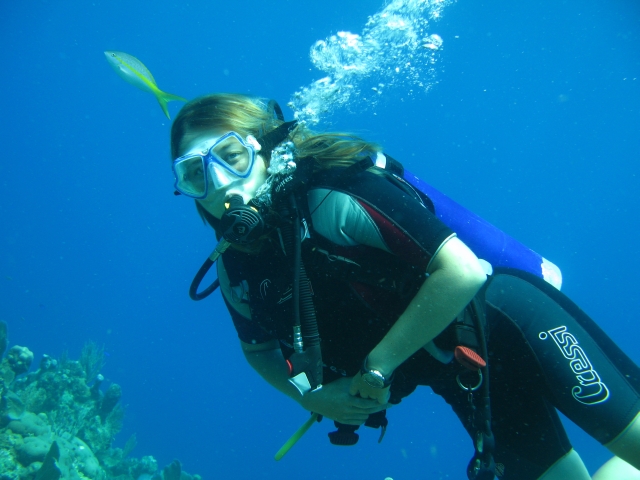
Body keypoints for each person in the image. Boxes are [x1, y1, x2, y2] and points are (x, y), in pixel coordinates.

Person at [169, 93, 640, 480]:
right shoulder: (235, 266)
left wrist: (376, 369)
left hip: (504, 319)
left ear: (266, 149)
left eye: (232, 157)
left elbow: (463, 271)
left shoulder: (332, 194)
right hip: (459, 373)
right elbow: (259, 352)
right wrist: (309, 396)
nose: (220, 184)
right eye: (195, 174)